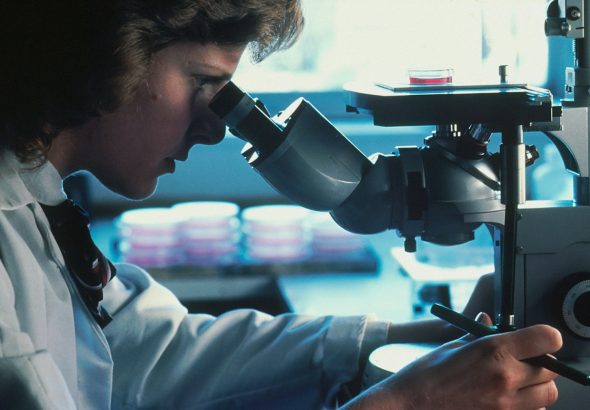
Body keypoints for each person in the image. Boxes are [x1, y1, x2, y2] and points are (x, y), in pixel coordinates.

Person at [0, 1, 562, 409]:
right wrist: (409, 403)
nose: (215, 130)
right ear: (111, 54)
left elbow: (149, 354)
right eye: (204, 82)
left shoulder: (39, 201)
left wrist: (415, 342)